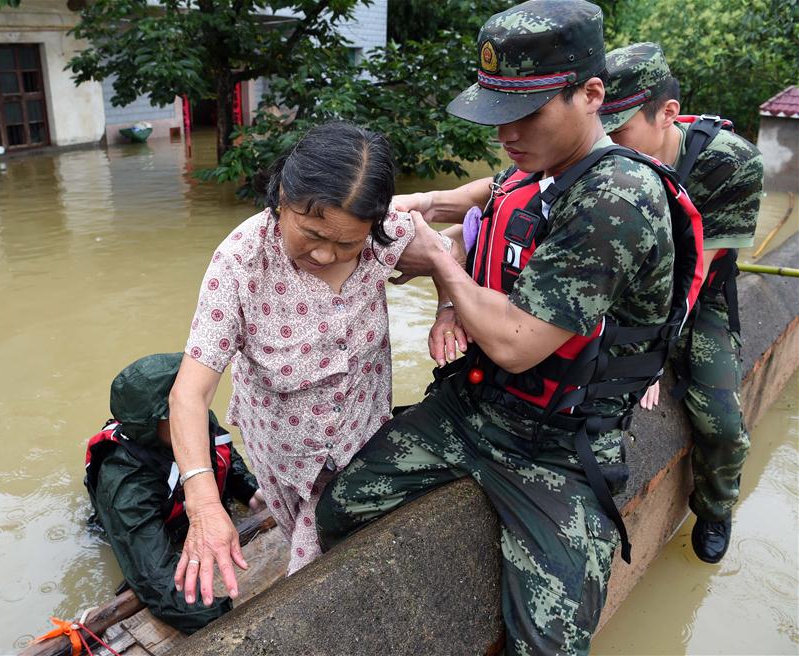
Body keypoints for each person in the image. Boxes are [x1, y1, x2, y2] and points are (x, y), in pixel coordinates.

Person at [315, 1, 703, 653]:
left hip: (559, 446)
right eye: (499, 115)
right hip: (476, 405)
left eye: (526, 115)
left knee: (548, 646)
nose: (508, 134)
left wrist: (439, 260)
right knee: (342, 507)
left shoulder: (615, 201)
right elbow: (483, 195)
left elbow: (515, 344)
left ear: (591, 95)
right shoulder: (545, 166)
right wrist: (401, 207)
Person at [168, 121, 455, 608]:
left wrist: (447, 308)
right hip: (280, 446)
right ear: (283, 198)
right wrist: (203, 505)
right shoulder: (240, 262)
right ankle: (270, 500)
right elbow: (188, 394)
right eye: (312, 233)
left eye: (347, 243)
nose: (326, 253)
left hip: (361, 438)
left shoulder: (387, 238)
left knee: (314, 571)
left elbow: (446, 251)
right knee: (294, 519)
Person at [600, 42, 763, 563]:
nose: (606, 141)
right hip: (622, 288)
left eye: (619, 127)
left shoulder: (729, 165)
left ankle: (715, 505)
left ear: (668, 113)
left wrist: (650, 354)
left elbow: (695, 273)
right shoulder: (601, 155)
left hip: (699, 296)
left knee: (720, 421)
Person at [84, 352, 263, 633]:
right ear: (154, 423)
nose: (196, 409)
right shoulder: (126, 481)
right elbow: (156, 580)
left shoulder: (192, 417)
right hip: (154, 532)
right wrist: (227, 613)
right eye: (181, 406)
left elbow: (223, 454)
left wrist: (251, 492)